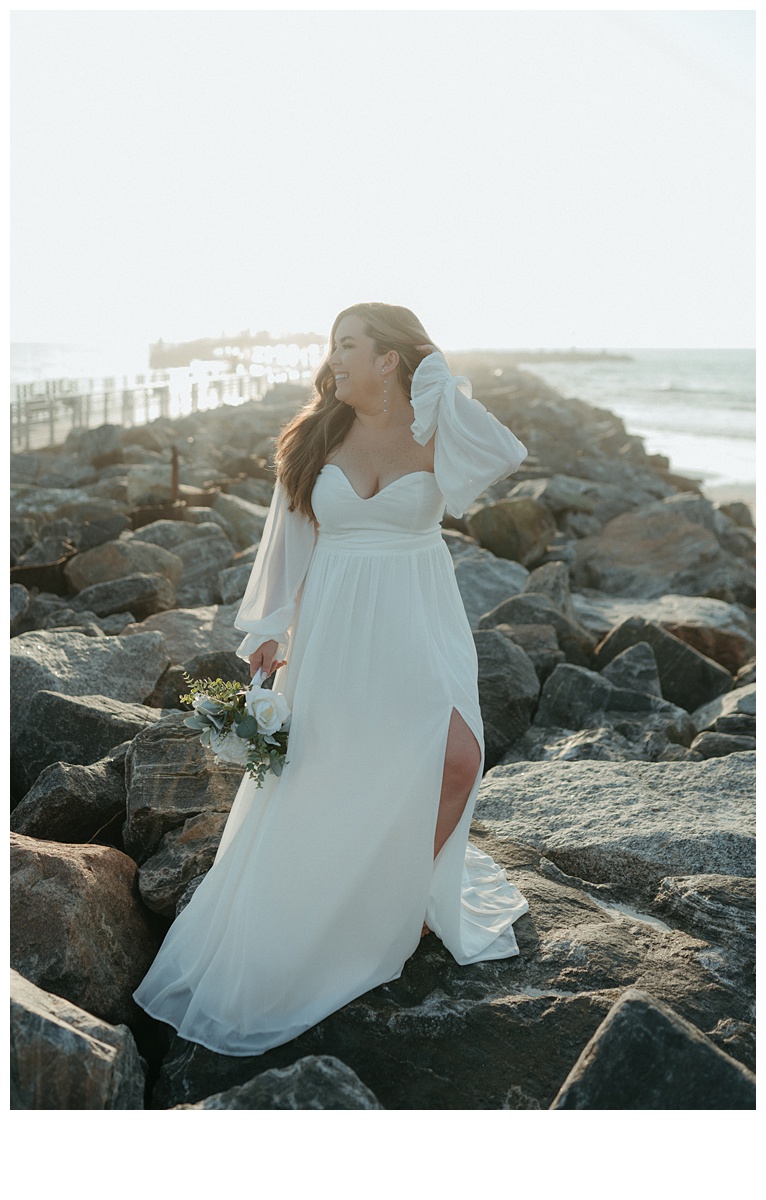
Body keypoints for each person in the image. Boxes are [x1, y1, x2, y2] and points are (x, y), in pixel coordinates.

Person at [133, 302, 530, 1057]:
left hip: (421, 617)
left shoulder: (434, 421)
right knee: (333, 768)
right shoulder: (314, 436)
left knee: (456, 758)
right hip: (337, 625)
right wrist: (268, 637)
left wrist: (445, 380)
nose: (334, 357)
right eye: (333, 345)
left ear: (390, 357)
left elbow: (502, 455)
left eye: (350, 344)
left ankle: (408, 901)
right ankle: (334, 902)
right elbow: (285, 542)